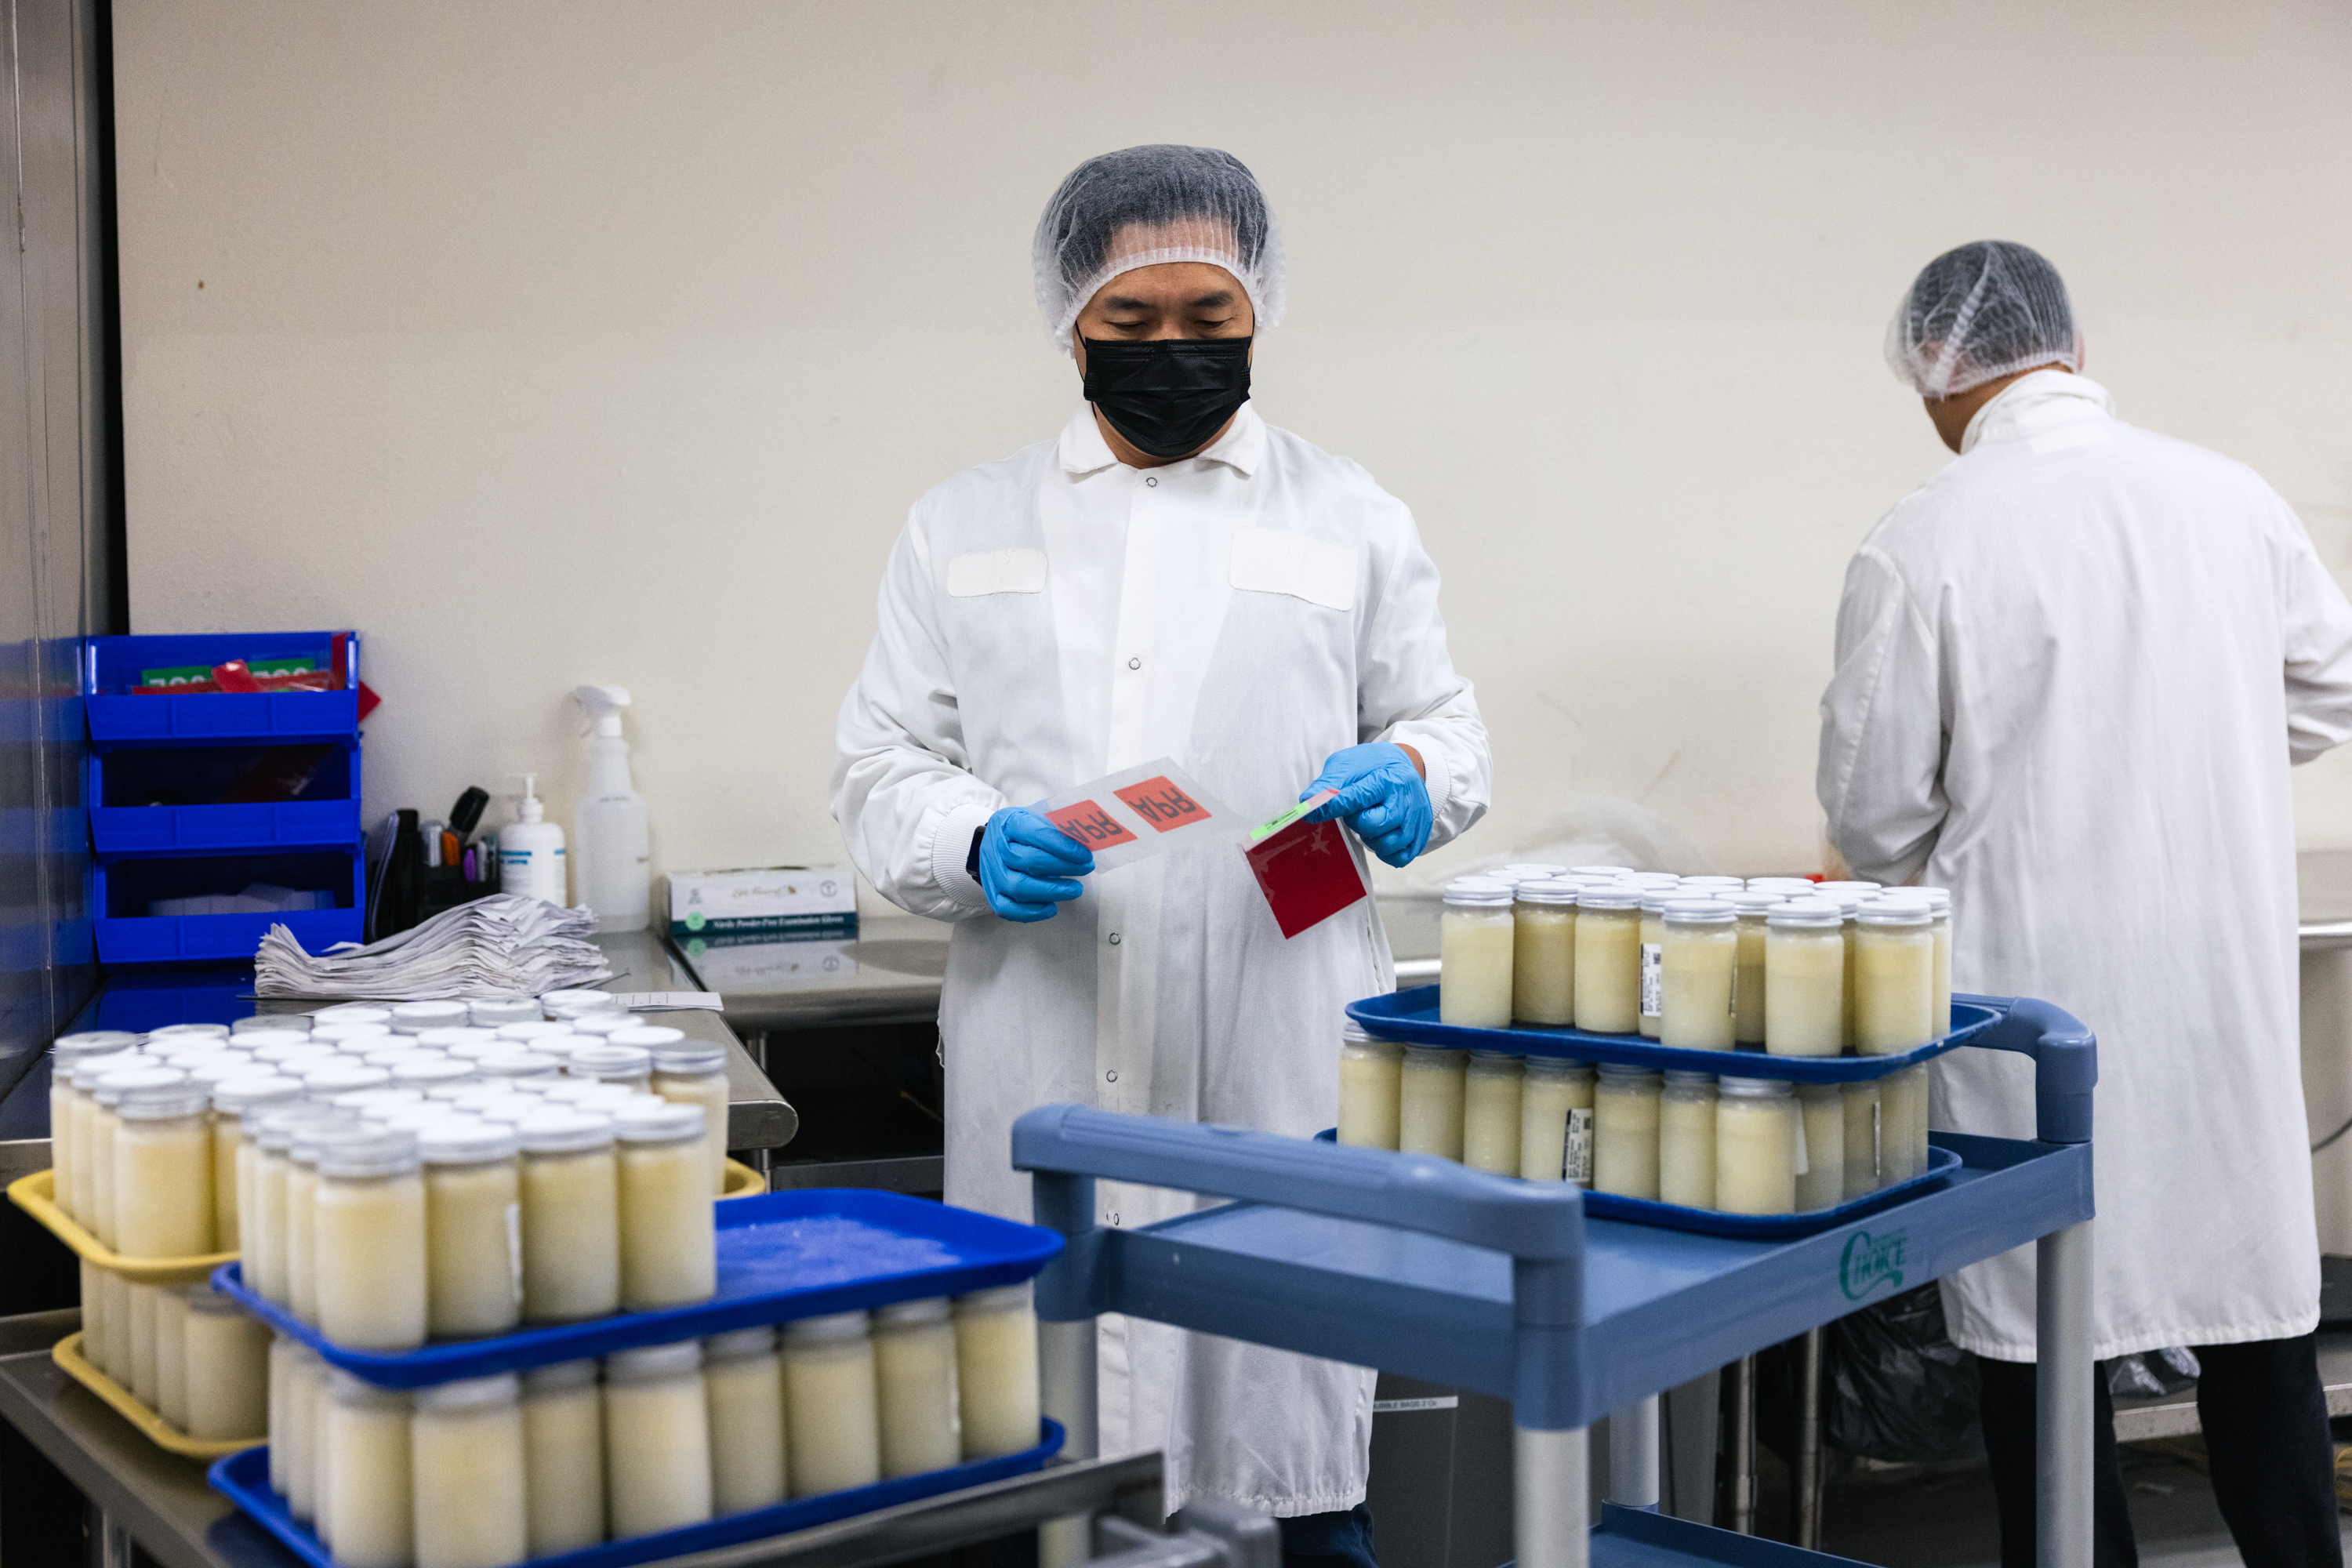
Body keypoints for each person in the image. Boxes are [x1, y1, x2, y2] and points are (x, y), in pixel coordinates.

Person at [833, 144, 1489, 1563]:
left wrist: (1413, 777)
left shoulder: (1349, 513)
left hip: (1272, 1056)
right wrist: (968, 837)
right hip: (1046, 1044)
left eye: (1210, 320)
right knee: (1064, 1480)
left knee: (1293, 1477)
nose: (1175, 353)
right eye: (1134, 326)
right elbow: (879, 764)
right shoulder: (965, 523)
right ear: (1071, 321)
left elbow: (1447, 723)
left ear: (1260, 313)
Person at [1819, 240, 2352, 1568]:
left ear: (1941, 372)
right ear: (2065, 347)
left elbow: (1875, 816)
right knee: (2254, 1331)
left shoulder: (1926, 534)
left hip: (2038, 1012)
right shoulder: (2229, 496)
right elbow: (2330, 689)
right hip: (2213, 997)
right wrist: (2202, 735)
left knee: (2046, 1352)